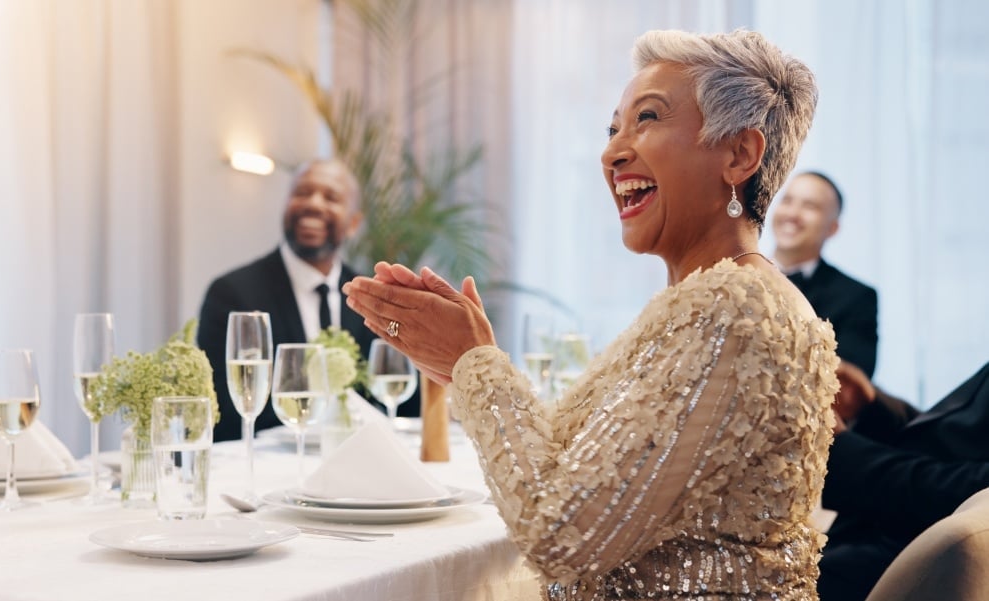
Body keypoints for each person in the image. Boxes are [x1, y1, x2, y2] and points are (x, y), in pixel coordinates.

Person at [345, 29, 837, 600]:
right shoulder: (716, 298)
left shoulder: (734, 309)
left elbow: (562, 536)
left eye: (647, 119)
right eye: (612, 129)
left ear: (738, 155)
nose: (612, 152)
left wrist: (473, 364)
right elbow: (575, 466)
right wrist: (462, 366)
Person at [197, 158, 418, 443]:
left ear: (353, 223)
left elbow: (408, 407)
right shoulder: (232, 294)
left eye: (331, 197)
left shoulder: (373, 295)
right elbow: (225, 410)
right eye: (302, 192)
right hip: (271, 464)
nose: (313, 203)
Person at [818, 360, 989, 600]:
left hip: (907, 560)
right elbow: (955, 442)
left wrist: (841, 447)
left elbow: (965, 491)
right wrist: (872, 408)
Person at [772, 171, 879, 377]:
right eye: (787, 201)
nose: (793, 214)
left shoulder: (857, 297)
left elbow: (851, 385)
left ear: (833, 228)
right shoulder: (737, 273)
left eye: (810, 206)